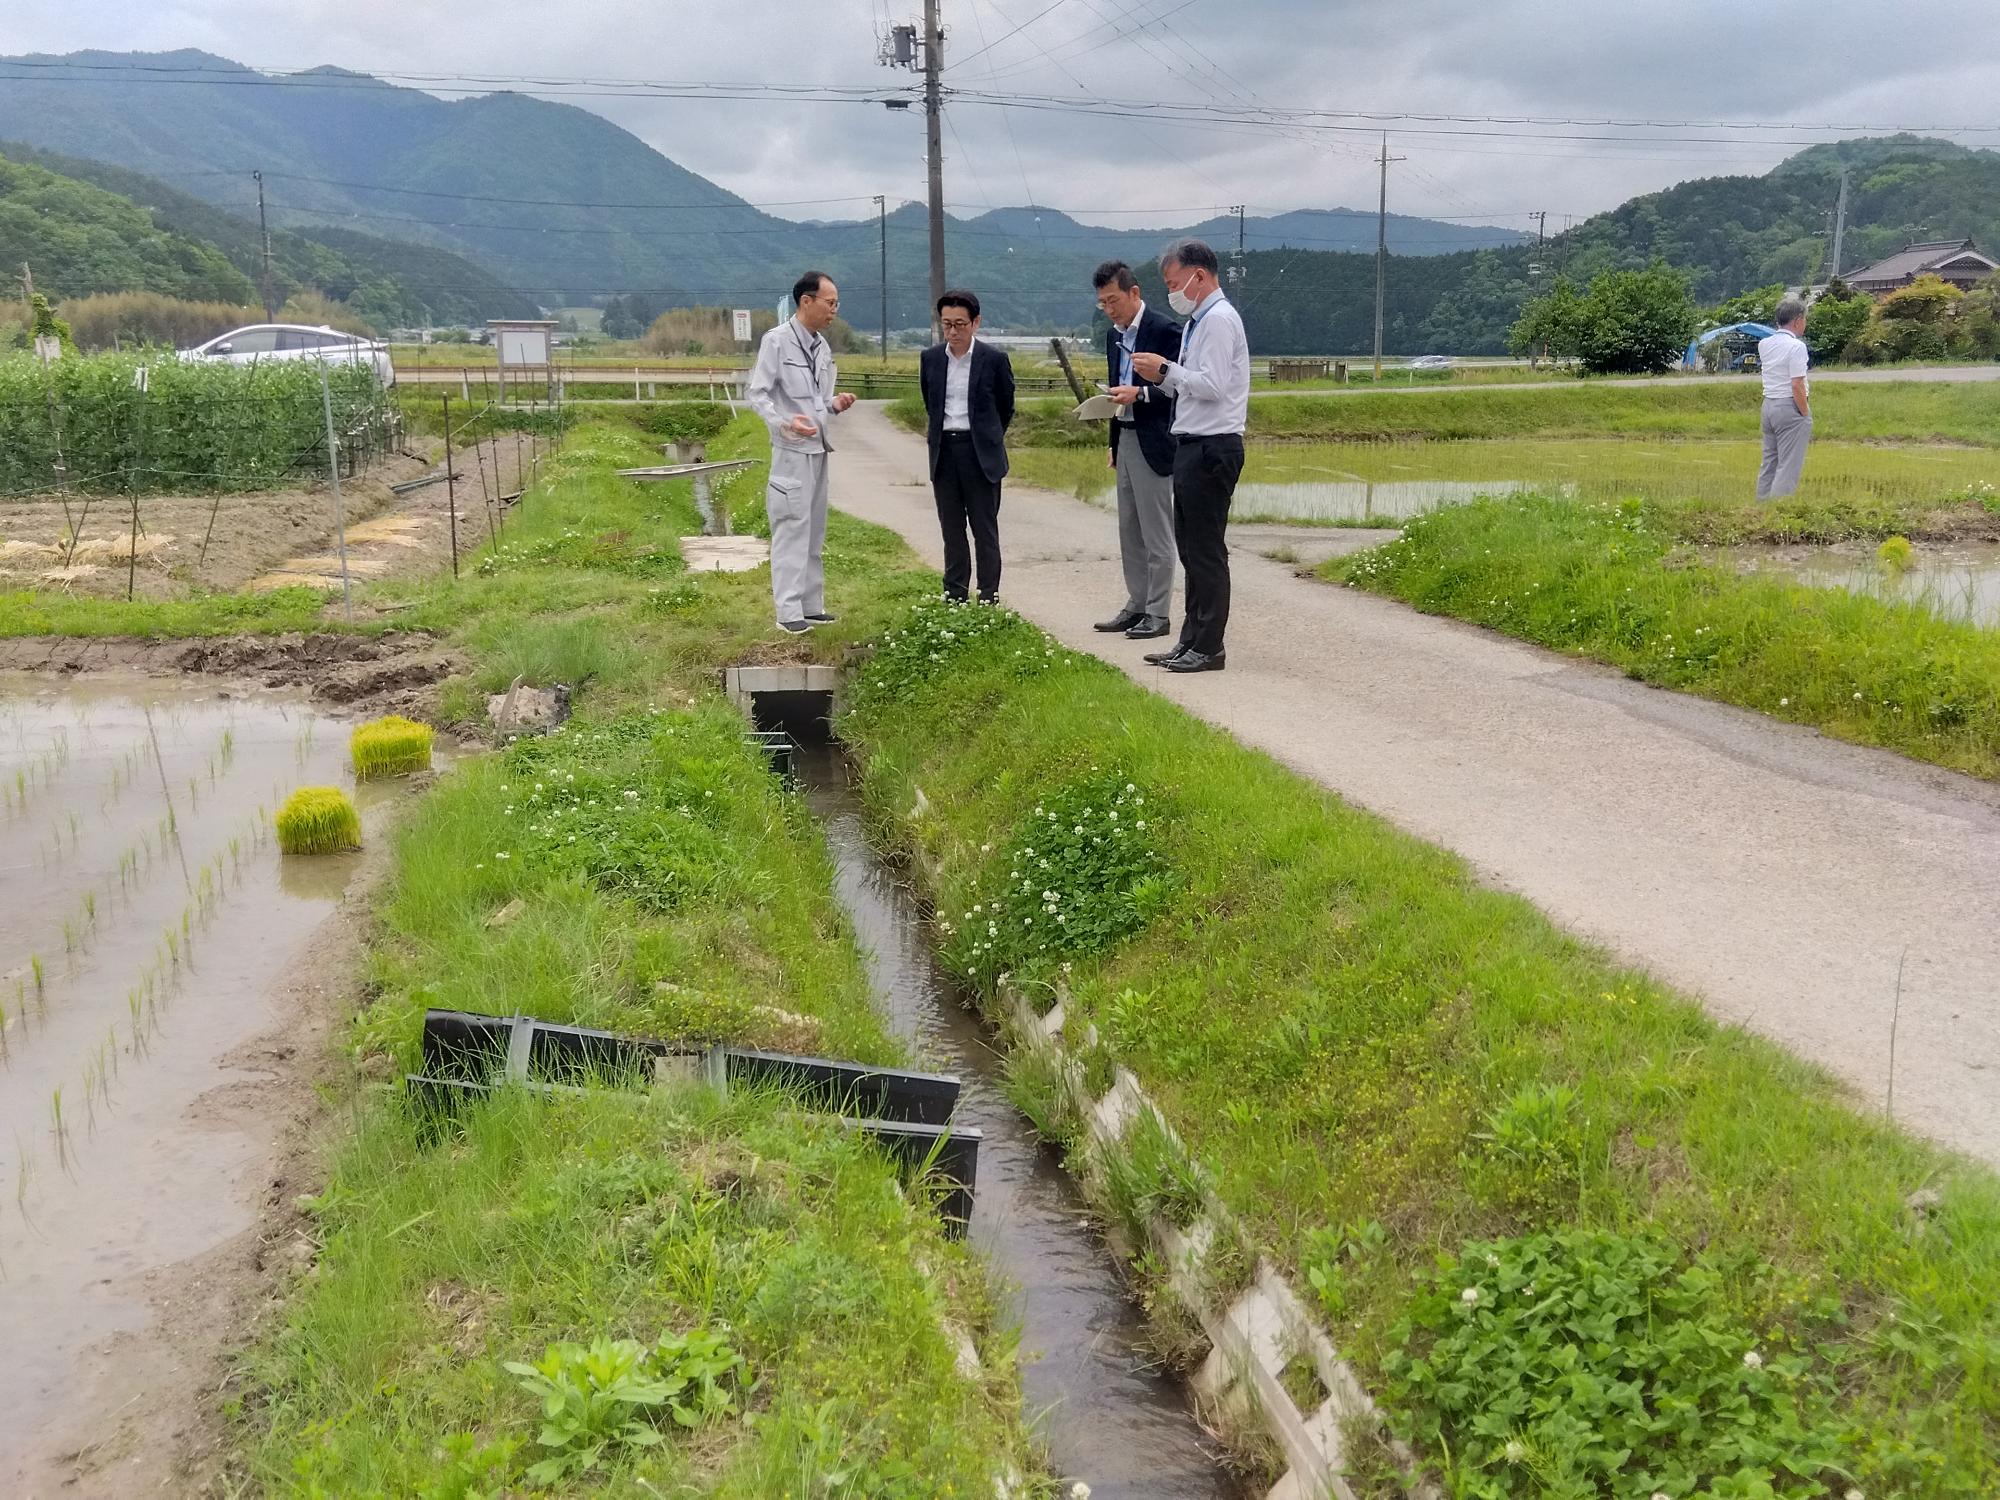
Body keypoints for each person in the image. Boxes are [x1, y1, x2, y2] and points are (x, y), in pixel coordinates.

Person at [1129, 239, 1249, 674]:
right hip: (1192, 444)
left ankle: (1210, 646)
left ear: (1199, 276)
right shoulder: (1200, 321)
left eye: (1174, 283)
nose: (1172, 292)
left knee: (1205, 552)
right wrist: (1157, 378)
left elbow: (1212, 385)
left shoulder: (1218, 320)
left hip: (1212, 446)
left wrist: (1165, 369)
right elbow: (1188, 384)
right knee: (1190, 550)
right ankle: (1191, 639)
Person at [747, 270, 856, 633]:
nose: (834, 310)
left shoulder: (821, 347)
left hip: (818, 449)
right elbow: (758, 394)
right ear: (806, 301)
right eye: (830, 302)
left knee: (813, 530)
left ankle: (811, 605)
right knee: (791, 527)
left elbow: (818, 400)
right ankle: (788, 611)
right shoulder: (776, 341)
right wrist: (783, 423)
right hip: (791, 451)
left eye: (837, 303)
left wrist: (834, 404)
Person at [1093, 259, 1179, 641]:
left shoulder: (1164, 330)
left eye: (1113, 300)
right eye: (1103, 303)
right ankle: (1137, 604)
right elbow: (1118, 389)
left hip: (1155, 439)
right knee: (1129, 528)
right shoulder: (1114, 337)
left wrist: (1141, 394)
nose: (1109, 309)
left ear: (1134, 293)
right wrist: (1113, 442)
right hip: (1125, 436)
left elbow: (1180, 388)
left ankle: (1158, 613)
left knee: (1156, 531)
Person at [919, 289, 1016, 603]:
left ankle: (988, 595)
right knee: (951, 529)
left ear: (976, 322)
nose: (953, 331)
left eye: (960, 324)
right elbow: (930, 403)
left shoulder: (994, 360)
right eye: (946, 324)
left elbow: (1005, 406)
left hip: (980, 453)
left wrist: (988, 437)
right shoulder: (931, 359)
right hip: (945, 451)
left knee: (984, 529)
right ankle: (955, 593)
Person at [1756, 296, 1812, 500]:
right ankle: (1779, 508)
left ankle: (1761, 506)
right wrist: (1805, 413)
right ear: (1797, 321)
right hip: (1789, 406)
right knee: (1788, 465)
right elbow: (1796, 384)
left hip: (1769, 405)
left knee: (1769, 461)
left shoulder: (1764, 344)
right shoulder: (1796, 346)